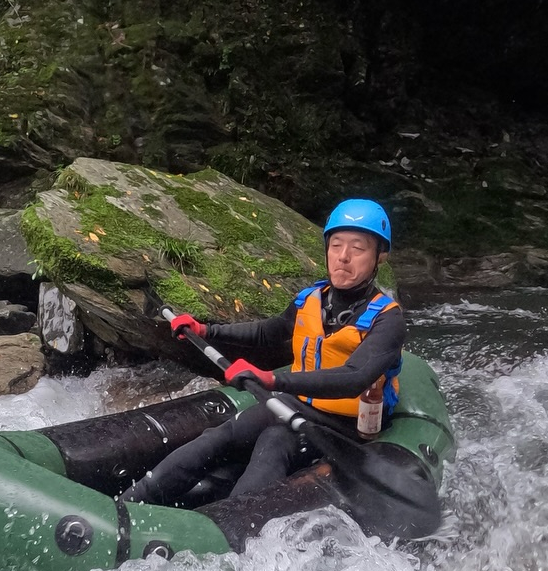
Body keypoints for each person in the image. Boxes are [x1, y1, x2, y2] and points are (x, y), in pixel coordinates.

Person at [122, 199, 403, 505]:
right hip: (296, 404)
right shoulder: (310, 299)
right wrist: (206, 330)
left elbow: (353, 378)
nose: (343, 257)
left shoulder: (388, 318)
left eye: (358, 249)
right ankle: (130, 504)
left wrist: (272, 380)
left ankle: (225, 532)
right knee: (220, 437)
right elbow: (267, 332)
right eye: (336, 246)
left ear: (380, 256)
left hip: (346, 427)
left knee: (274, 441)